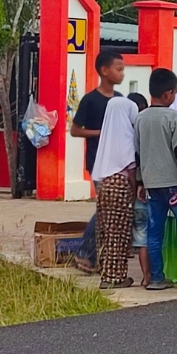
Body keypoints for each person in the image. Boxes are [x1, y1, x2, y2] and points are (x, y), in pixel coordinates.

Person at [135, 68, 177, 291]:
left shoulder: (141, 118)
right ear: (169, 93)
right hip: (174, 184)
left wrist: (140, 182)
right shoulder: (174, 117)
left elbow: (139, 152)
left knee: (154, 231)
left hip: (152, 184)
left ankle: (156, 278)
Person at [70, 49, 125, 269]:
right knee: (104, 209)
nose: (122, 74)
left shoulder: (121, 100)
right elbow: (75, 130)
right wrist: (100, 133)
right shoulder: (90, 100)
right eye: (118, 69)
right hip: (98, 162)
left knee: (112, 210)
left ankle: (100, 256)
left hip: (119, 163)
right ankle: (85, 252)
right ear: (104, 70)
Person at [91, 97, 140, 289]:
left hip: (104, 186)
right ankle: (115, 277)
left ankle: (105, 274)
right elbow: (131, 170)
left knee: (105, 231)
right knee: (119, 233)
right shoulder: (126, 136)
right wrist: (135, 192)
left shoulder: (107, 135)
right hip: (120, 186)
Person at [126, 93, 151, 287]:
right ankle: (156, 274)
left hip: (136, 195)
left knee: (141, 239)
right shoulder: (147, 129)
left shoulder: (124, 133)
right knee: (155, 236)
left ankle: (145, 276)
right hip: (152, 191)